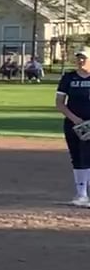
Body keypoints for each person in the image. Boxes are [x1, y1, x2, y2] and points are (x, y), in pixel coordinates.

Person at [55, 49, 90, 207]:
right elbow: (60, 103)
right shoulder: (68, 78)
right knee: (77, 157)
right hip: (73, 124)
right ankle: (81, 195)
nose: (80, 61)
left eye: (84, 58)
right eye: (78, 58)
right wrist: (75, 120)